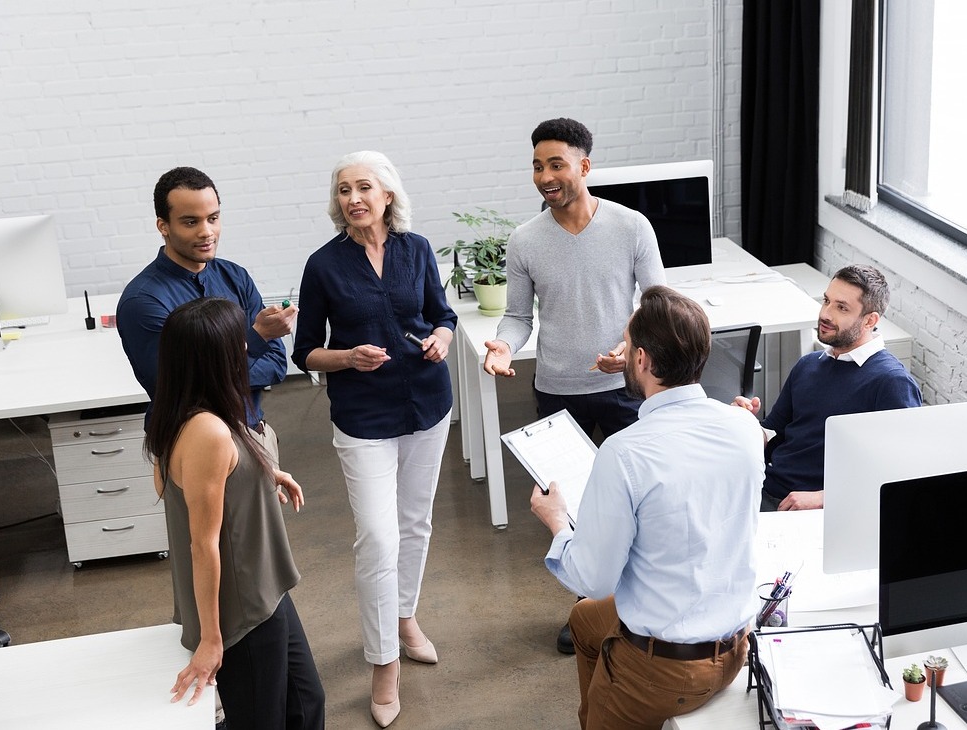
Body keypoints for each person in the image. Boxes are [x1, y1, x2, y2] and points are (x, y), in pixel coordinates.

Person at [530, 285, 764, 730]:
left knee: (591, 603)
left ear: (641, 360)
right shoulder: (745, 427)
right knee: (583, 621)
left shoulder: (623, 453)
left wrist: (558, 522)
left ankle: (614, 704)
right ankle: (601, 701)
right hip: (735, 646)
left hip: (666, 670)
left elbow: (594, 578)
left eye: (628, 343)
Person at [483, 117, 666, 654]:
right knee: (574, 509)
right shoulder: (524, 240)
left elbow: (656, 302)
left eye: (556, 164)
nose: (545, 176)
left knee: (634, 502)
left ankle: (638, 605)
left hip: (623, 389)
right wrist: (502, 344)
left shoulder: (631, 227)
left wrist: (629, 345)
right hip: (557, 391)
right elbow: (518, 317)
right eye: (538, 166)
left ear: (584, 166)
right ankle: (587, 610)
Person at [291, 151, 456, 728]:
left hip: (428, 405)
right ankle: (384, 664)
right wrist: (347, 358)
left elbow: (444, 314)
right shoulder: (324, 265)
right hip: (363, 417)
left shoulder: (416, 249)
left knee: (415, 524)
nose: (353, 198)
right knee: (379, 540)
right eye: (343, 190)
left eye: (364, 187)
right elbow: (303, 349)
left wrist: (440, 336)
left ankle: (405, 616)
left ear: (388, 194)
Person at [144, 297, 324, 729]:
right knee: (262, 720)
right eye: (236, 345)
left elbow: (218, 477)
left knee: (305, 702)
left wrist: (266, 477)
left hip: (266, 586)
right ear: (214, 359)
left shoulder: (190, 412)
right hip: (241, 606)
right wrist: (210, 639)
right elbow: (202, 544)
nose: (245, 350)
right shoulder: (207, 431)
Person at [118, 166, 297, 440]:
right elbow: (183, 391)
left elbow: (275, 366)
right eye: (191, 222)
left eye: (213, 218)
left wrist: (215, 373)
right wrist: (257, 338)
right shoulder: (143, 301)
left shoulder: (235, 277)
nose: (207, 232)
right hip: (191, 447)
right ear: (163, 225)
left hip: (255, 434)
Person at [734, 264, 921, 511]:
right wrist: (741, 424)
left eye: (842, 307)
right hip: (763, 488)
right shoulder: (809, 364)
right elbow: (772, 431)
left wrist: (824, 498)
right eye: (826, 301)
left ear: (870, 320)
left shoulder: (891, 382)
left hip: (816, 510)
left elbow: (903, 473)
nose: (826, 314)